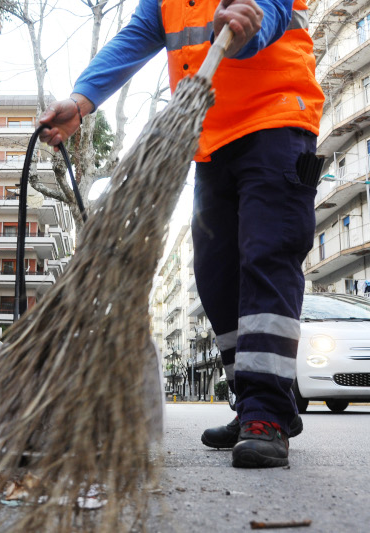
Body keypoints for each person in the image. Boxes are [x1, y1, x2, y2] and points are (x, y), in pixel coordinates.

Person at [39, 0, 323, 468]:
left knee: (267, 258)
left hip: (276, 123)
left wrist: (249, 25)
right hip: (208, 141)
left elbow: (268, 12)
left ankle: (267, 413)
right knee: (215, 274)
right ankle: (248, 399)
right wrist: (82, 100)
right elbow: (132, 41)